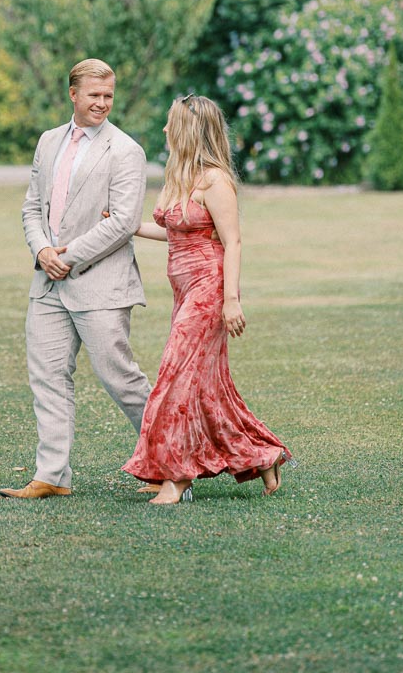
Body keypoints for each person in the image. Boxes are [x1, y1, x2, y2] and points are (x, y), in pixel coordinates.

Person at [123, 94, 292, 505]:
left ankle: (177, 479)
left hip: (209, 288)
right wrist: (125, 226)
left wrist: (230, 299)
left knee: (175, 377)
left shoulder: (216, 180)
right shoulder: (178, 175)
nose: (164, 129)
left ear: (188, 130)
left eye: (170, 123)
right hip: (182, 292)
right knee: (208, 387)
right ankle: (261, 455)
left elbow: (232, 240)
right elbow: (176, 232)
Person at [0, 58, 152, 500]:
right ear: (73, 94)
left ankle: (169, 465)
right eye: (94, 95)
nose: (103, 103)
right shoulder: (48, 142)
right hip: (47, 282)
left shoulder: (126, 150)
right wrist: (42, 251)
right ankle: (52, 477)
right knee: (47, 377)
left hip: (101, 283)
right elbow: (32, 207)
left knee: (121, 379)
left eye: (108, 96)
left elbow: (124, 221)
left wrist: (68, 256)